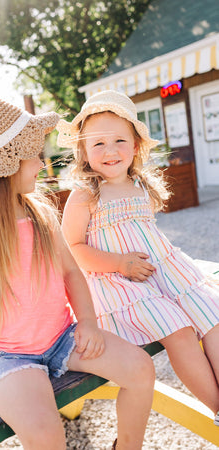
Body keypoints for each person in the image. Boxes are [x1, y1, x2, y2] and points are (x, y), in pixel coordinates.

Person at [0, 94, 155, 450]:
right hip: (8, 357)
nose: (42, 161)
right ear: (8, 162)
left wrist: (88, 323)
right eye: (34, 152)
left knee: (141, 370)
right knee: (46, 436)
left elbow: (73, 274)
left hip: (62, 339)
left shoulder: (40, 214)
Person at [58, 89, 219, 425]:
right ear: (83, 151)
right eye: (98, 143)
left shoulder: (139, 185)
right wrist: (120, 264)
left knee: (211, 317)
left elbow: (145, 235)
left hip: (162, 269)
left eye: (119, 141)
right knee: (181, 332)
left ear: (135, 145)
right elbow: (72, 249)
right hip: (119, 283)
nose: (110, 151)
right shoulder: (86, 193)